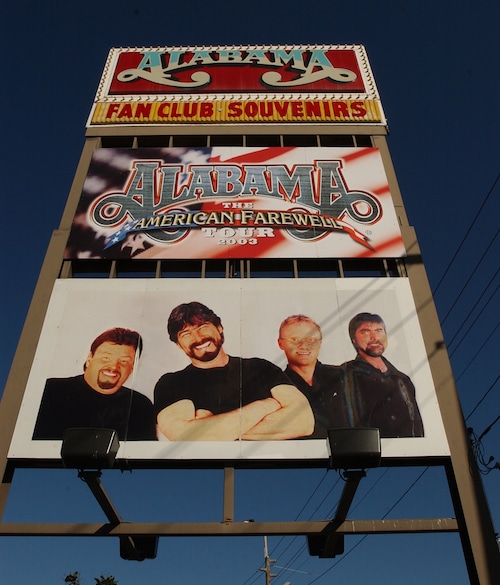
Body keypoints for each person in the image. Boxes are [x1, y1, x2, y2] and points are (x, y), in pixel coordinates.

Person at [154, 302, 314, 441]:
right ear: (178, 344)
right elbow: (185, 436)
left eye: (202, 327)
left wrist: (213, 429)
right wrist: (264, 406)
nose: (198, 338)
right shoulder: (172, 383)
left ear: (219, 327)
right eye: (186, 334)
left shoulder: (260, 368)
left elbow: (304, 421)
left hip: (273, 470)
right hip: (209, 473)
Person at [33, 327, 156, 441]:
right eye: (106, 358)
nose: (113, 367)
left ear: (132, 368)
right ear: (89, 358)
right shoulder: (51, 391)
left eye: (124, 361)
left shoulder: (140, 406)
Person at [343, 312, 424, 438]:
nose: (374, 337)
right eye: (365, 332)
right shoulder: (346, 373)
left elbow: (417, 426)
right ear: (353, 340)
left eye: (379, 331)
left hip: (406, 454)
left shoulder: (402, 379)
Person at [278, 314, 351, 438]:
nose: (303, 345)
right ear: (281, 344)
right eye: (295, 339)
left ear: (320, 343)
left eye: (311, 339)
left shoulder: (343, 376)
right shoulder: (277, 384)